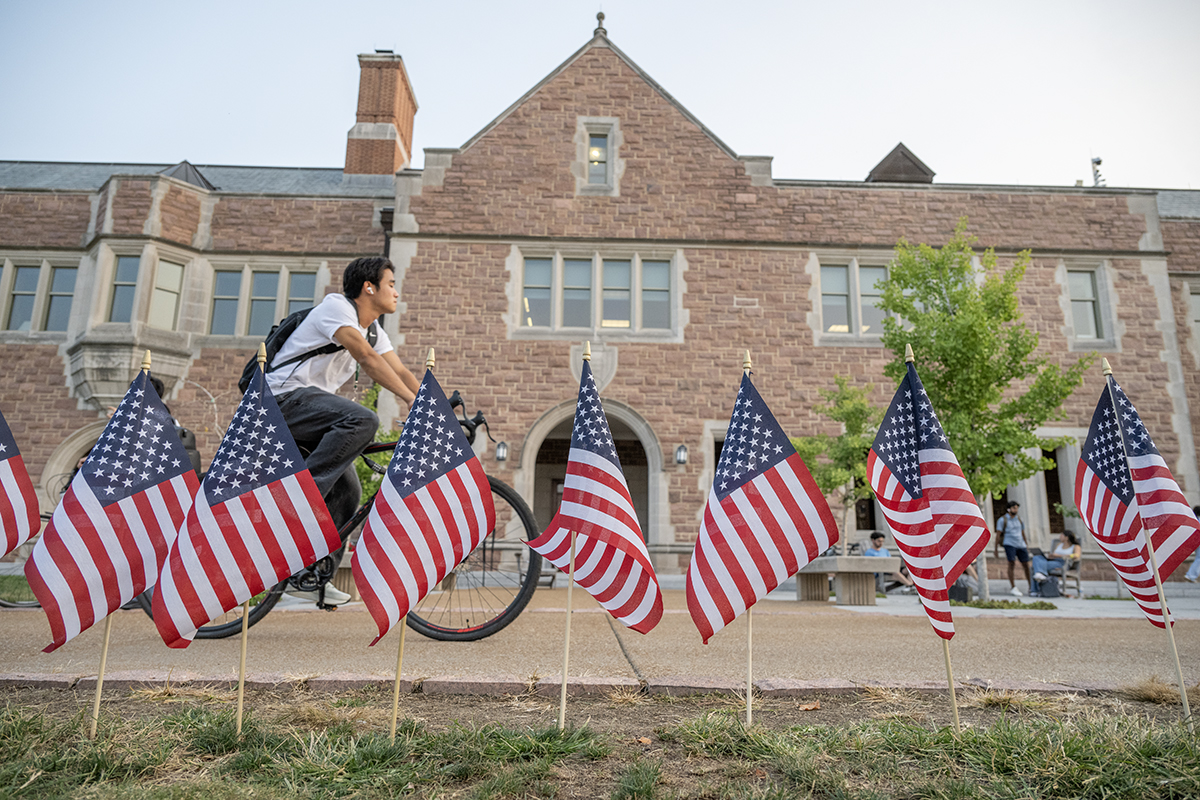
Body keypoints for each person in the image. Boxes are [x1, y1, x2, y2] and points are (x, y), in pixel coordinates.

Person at [267, 256, 421, 604]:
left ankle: (310, 578)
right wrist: (410, 399)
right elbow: (366, 358)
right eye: (391, 284)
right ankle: (296, 501)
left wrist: (431, 404)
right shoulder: (335, 308)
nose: (396, 292)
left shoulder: (372, 328)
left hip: (309, 411)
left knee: (347, 492)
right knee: (363, 420)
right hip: (280, 400)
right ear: (370, 287)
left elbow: (400, 370)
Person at [994, 501, 1031, 596]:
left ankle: (1031, 586)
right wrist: (996, 548)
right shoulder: (1002, 520)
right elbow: (998, 535)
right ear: (1009, 509)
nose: (1016, 510)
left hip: (1020, 544)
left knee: (1026, 564)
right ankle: (1013, 586)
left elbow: (1023, 532)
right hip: (1009, 543)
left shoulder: (1019, 519)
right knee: (1011, 563)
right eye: (1014, 508)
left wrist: (1026, 545)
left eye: (1017, 508)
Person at [1031, 531, 1082, 595]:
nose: (1059, 537)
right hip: (1052, 561)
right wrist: (1051, 556)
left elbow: (1077, 555)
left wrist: (1062, 556)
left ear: (1067, 537)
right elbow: (1054, 554)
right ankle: (1040, 574)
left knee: (1034, 568)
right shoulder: (1059, 545)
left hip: (1062, 563)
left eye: (1061, 536)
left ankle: (1035, 590)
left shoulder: (1075, 546)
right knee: (1036, 557)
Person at [1185, 506, 1200, 583]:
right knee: (1199, 559)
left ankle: (1191, 575)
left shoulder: (1195, 519)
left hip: (1196, 542)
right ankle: (1191, 575)